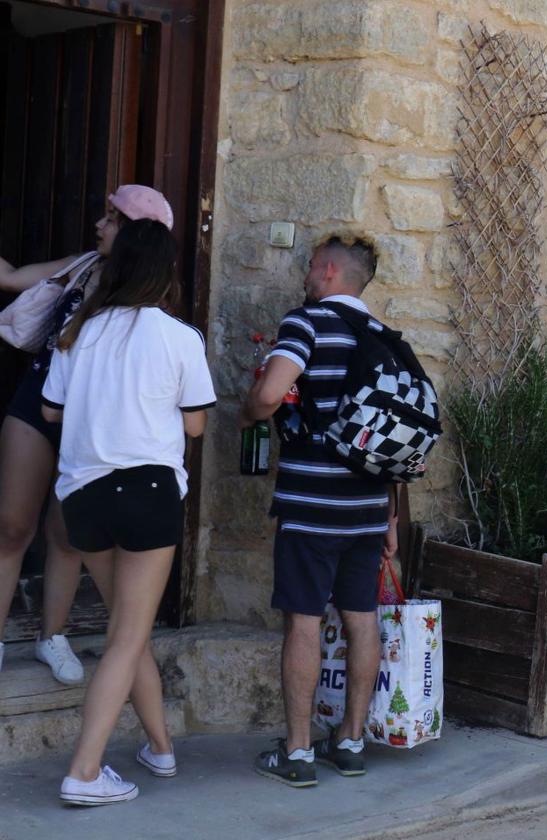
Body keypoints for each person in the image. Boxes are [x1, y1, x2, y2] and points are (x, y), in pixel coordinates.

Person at [42, 218, 215, 805]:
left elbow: (50, 412)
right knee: (127, 635)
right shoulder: (179, 336)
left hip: (85, 495)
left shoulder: (76, 330)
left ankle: (160, 748)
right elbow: (195, 424)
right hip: (147, 490)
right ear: (166, 271)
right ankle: (84, 772)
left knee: (126, 629)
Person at [240, 235, 399, 787]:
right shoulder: (383, 336)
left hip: (311, 506)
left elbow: (268, 397)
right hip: (369, 508)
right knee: (361, 619)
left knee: (304, 620)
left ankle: (300, 753)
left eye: (311, 267)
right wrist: (392, 520)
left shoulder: (306, 323)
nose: (306, 276)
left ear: (329, 271)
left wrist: (249, 407)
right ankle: (351, 742)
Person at [0, 185, 174, 683]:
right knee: (12, 525)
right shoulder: (81, 266)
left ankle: (51, 638)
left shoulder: (152, 301)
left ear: (138, 235)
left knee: (68, 533)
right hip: (39, 401)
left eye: (113, 220)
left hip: (94, 419)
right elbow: (12, 278)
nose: (100, 225)